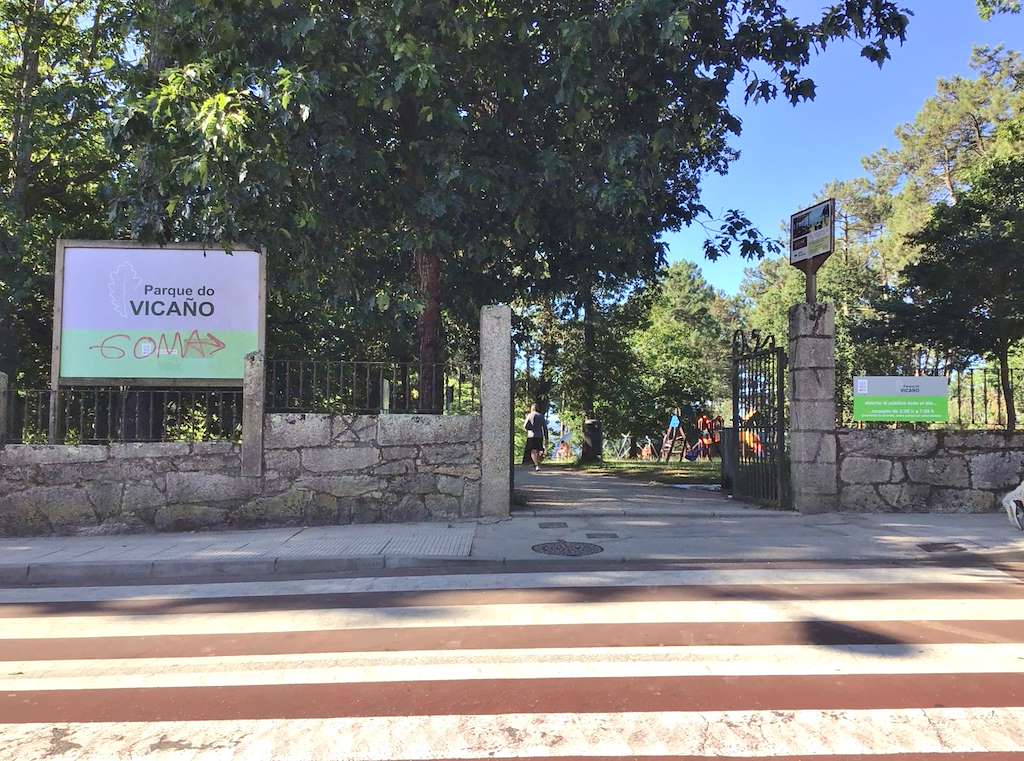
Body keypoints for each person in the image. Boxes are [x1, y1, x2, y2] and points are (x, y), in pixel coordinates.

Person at [523, 404, 548, 472]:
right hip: (539, 435)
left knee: (533, 450)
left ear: (532, 408)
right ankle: (538, 462)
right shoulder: (541, 416)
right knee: (540, 450)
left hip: (531, 436)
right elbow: (545, 428)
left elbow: (525, 426)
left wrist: (530, 428)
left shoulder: (529, 415)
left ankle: (536, 465)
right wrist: (546, 437)